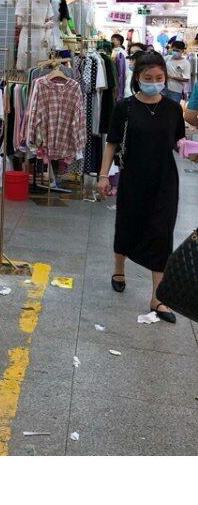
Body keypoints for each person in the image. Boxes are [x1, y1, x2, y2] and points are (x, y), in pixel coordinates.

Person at [98, 52, 184, 322]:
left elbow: (177, 143)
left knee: (162, 233)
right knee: (127, 225)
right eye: (148, 77)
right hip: (133, 178)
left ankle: (157, 298)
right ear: (137, 78)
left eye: (159, 78)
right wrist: (103, 176)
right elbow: (112, 143)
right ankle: (118, 268)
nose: (154, 82)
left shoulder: (172, 109)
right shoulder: (124, 107)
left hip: (165, 181)